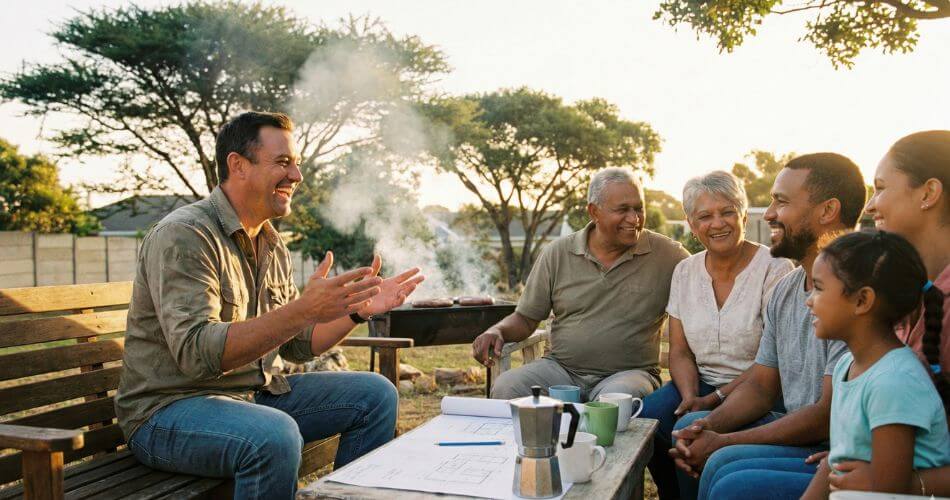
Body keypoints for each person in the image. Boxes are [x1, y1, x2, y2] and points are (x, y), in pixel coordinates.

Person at [115, 111, 424, 499]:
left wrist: (356, 311)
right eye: (283, 162)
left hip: (253, 396)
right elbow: (196, 354)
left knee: (376, 395)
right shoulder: (185, 235)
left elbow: (296, 343)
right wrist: (305, 309)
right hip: (168, 412)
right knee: (273, 435)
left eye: (296, 164)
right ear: (238, 166)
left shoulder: (271, 242)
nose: (296, 176)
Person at [669, 153, 867, 500]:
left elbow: (826, 415)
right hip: (808, 434)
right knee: (694, 436)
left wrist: (724, 439)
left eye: (782, 202)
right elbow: (762, 385)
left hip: (834, 444)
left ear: (827, 210)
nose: (770, 213)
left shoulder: (857, 292)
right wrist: (707, 426)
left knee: (729, 477)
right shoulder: (789, 289)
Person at [472, 167, 690, 401]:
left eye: (638, 208)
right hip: (560, 370)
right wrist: (498, 330)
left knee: (618, 400)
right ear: (594, 212)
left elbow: (708, 277)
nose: (634, 219)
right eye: (622, 210)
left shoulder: (668, 255)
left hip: (629, 375)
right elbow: (526, 318)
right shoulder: (558, 253)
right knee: (508, 387)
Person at [641, 171, 794, 499]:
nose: (718, 223)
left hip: (761, 388)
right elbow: (679, 350)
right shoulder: (685, 271)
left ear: (742, 213)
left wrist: (712, 400)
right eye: (705, 216)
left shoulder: (775, 268)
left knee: (688, 428)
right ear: (691, 223)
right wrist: (688, 395)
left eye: (727, 211)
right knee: (649, 415)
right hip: (700, 384)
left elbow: (776, 357)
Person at [820, 131, 950, 495]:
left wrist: (907, 482)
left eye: (880, 188)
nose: (870, 206)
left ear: (928, 193)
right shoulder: (907, 289)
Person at [799, 231, 950, 499]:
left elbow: (887, 489)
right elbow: (837, 460)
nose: (809, 299)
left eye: (819, 288)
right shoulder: (847, 365)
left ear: (862, 301)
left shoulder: (893, 382)